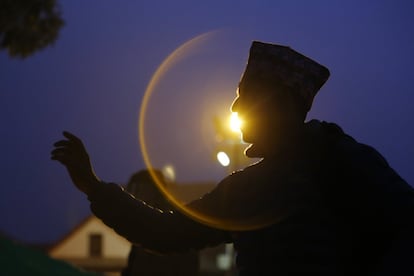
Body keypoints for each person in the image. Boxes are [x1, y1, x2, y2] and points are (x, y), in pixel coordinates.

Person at [51, 41, 414, 275]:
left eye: (248, 95)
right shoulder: (245, 189)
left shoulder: (340, 158)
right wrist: (93, 187)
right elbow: (168, 233)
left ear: (284, 103)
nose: (236, 107)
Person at [121, 169, 199, 276]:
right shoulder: (147, 225)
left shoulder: (161, 225)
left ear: (150, 191)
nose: (133, 196)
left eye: (136, 190)